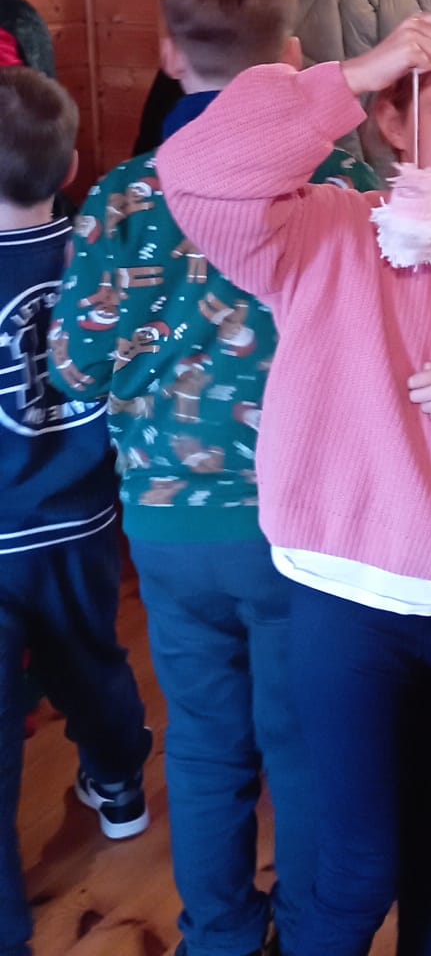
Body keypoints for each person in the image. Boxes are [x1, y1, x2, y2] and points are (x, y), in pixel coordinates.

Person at [156, 4, 431, 956]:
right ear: (397, 123)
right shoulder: (323, 231)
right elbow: (198, 169)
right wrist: (354, 75)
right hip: (344, 603)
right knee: (358, 864)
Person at [50, 0, 375, 956]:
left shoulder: (120, 198)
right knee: (304, 747)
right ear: (292, 55)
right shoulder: (342, 179)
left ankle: (222, 936)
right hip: (301, 525)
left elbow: (75, 369)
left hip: (167, 525)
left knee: (201, 746)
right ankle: (313, 934)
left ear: (167, 53)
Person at [0, 69, 150, 956]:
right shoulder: (100, 254)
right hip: (83, 516)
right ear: (68, 169)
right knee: (90, 655)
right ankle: (121, 786)